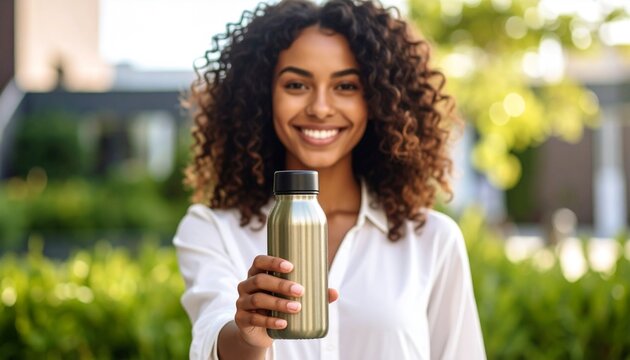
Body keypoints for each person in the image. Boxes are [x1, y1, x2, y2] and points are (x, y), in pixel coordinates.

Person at [173, 0, 486, 359]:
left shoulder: (432, 240)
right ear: (263, 96)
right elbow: (212, 335)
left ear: (378, 101)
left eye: (346, 86)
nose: (320, 107)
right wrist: (248, 338)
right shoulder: (213, 230)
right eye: (296, 85)